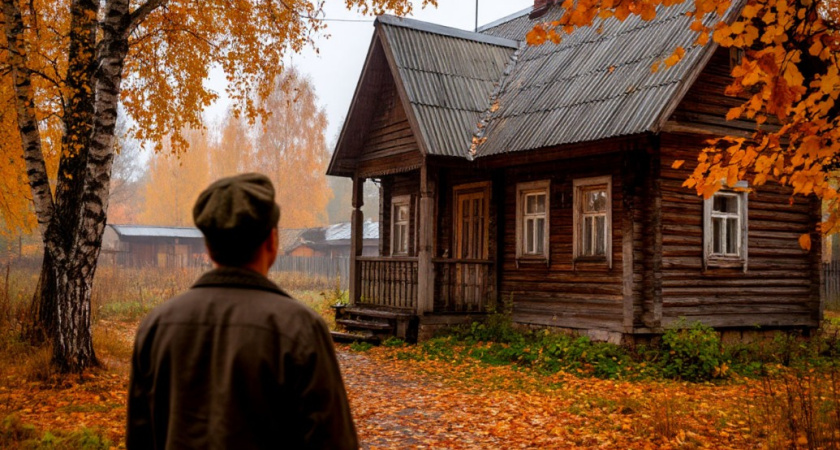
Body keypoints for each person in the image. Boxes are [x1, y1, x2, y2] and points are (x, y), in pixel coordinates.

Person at [126, 173, 358, 449]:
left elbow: (140, 438)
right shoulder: (300, 329)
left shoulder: (156, 327)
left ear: (209, 249)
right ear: (272, 242)